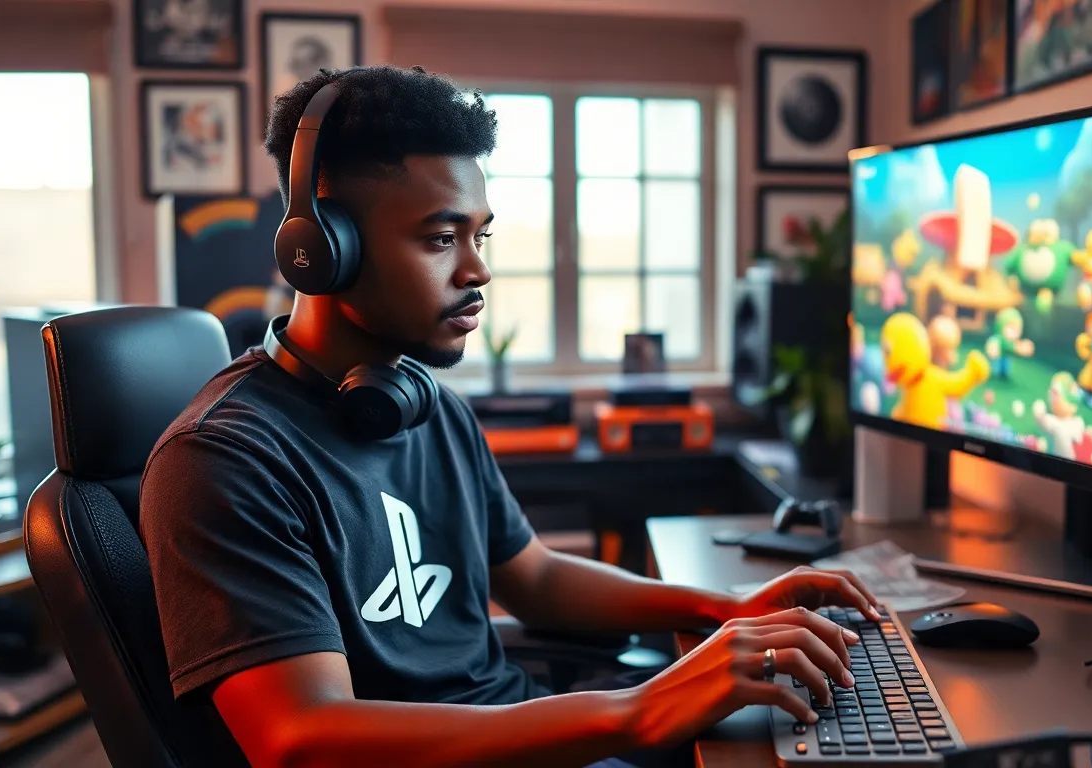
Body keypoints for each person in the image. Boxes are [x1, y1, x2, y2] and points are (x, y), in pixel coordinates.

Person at [137, 65, 879, 768]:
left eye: (479, 236)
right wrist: (640, 708)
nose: (477, 269)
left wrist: (723, 605)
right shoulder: (224, 460)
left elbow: (535, 577)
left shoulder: (429, 409)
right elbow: (301, 741)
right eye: (440, 238)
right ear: (323, 251)